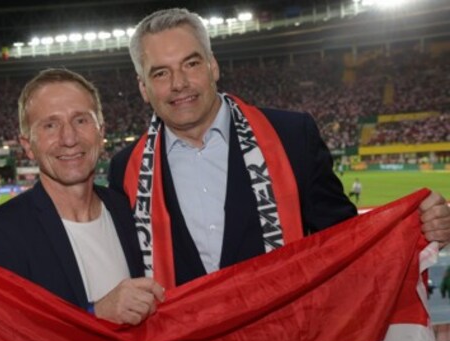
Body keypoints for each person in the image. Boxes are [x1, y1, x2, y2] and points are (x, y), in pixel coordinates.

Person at [108, 8, 450, 288]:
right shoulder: (126, 170)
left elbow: (346, 239)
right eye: (160, 73)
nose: (179, 83)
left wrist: (417, 229)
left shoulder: (291, 135)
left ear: (213, 66)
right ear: (143, 87)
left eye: (191, 63)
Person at [0, 68, 164, 325]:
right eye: (50, 125)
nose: (69, 138)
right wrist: (95, 315)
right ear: (28, 146)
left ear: (101, 132)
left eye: (81, 120)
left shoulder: (128, 211)